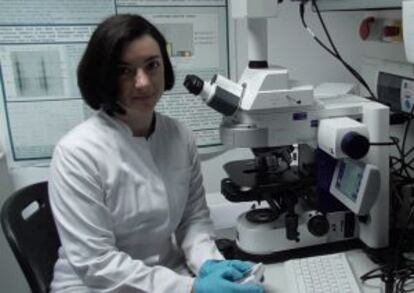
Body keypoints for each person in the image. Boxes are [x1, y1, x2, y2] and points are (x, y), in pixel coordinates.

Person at [48, 14, 265, 293]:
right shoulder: (76, 153)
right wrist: (191, 289)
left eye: (152, 65)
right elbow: (97, 263)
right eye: (124, 70)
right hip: (92, 286)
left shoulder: (178, 135)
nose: (143, 83)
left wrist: (209, 263)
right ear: (103, 76)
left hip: (167, 274)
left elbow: (193, 218)